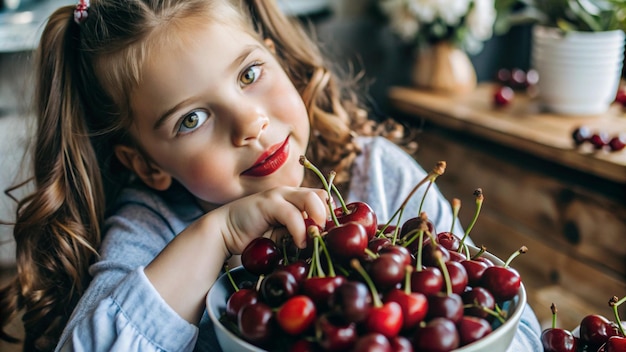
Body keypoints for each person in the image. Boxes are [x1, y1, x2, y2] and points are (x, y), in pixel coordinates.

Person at [0, 0, 542, 351]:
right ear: (146, 165)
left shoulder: (378, 175)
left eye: (250, 73)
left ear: (280, 57)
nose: (250, 122)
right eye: (191, 119)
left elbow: (511, 327)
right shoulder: (153, 226)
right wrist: (218, 234)